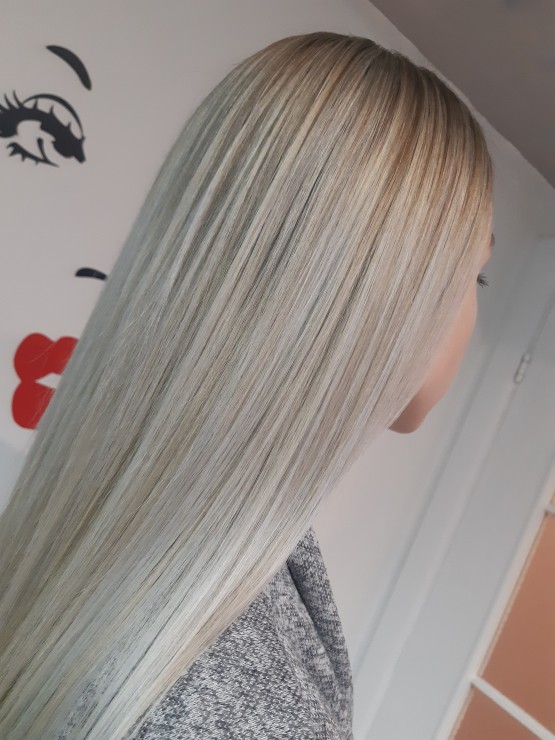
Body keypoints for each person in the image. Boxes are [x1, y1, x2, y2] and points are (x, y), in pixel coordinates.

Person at [0, 31, 494, 739]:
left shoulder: (119, 505)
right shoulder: (235, 708)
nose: (470, 311)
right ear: (387, 298)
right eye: (473, 275)